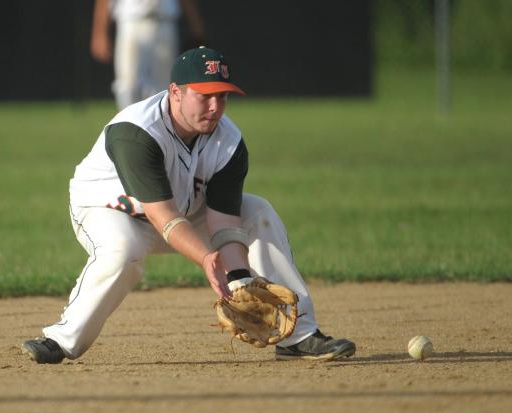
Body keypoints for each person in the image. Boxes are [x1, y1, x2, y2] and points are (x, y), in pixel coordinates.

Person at [21, 46, 356, 364]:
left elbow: (224, 222)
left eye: (221, 96)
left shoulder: (229, 142)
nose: (214, 106)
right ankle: (61, 340)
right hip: (109, 211)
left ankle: (299, 336)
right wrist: (207, 258)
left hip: (182, 212)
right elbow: (161, 215)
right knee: (124, 250)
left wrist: (239, 281)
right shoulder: (136, 132)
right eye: (204, 95)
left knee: (258, 211)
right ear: (175, 92)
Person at [91, 0, 207, 110]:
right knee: (128, 86)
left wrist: (197, 28)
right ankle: (128, 127)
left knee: (165, 87)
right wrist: (100, 32)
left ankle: (161, 128)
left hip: (165, 22)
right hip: (132, 21)